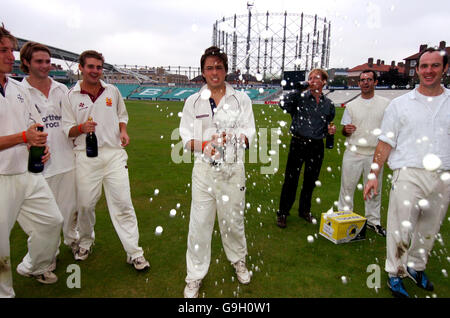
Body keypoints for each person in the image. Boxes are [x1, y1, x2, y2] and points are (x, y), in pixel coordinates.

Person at [364, 48, 449, 298]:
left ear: (444, 68)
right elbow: (385, 142)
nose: (429, 71)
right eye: (424, 66)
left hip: (443, 175)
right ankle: (394, 273)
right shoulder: (400, 105)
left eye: (435, 66)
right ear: (418, 70)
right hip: (409, 173)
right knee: (400, 228)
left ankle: (416, 267)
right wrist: (373, 174)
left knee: (429, 229)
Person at [61, 50, 149, 271]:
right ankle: (85, 242)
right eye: (90, 67)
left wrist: (123, 131)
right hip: (85, 156)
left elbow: (122, 115)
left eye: (99, 67)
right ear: (81, 68)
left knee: (123, 204)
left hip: (113, 154)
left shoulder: (112, 91)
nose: (95, 71)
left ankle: (134, 252)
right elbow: (66, 130)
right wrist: (81, 128)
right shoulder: (71, 95)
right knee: (85, 205)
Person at [179, 46, 255, 298]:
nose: (214, 72)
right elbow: (186, 140)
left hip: (233, 171)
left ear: (225, 70)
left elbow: (249, 135)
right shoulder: (193, 101)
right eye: (209, 68)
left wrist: (231, 138)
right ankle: (195, 275)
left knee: (232, 220)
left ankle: (238, 261)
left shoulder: (240, 99)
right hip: (203, 171)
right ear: (203, 72)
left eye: (219, 67)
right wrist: (205, 145)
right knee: (199, 224)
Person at [0, 26, 63, 297]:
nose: (9, 56)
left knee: (52, 221)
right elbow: (23, 133)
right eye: (3, 50)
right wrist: (23, 136)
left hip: (28, 173)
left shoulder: (16, 88)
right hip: (2, 177)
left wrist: (39, 145)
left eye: (10, 50)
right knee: (0, 245)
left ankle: (32, 265)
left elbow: (33, 126)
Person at [17, 42, 79, 279]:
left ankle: (73, 242)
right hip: (36, 168)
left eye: (48, 62)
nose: (45, 66)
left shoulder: (62, 89)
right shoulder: (19, 92)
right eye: (39, 62)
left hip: (66, 161)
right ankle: (43, 260)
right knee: (44, 220)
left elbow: (71, 122)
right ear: (26, 63)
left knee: (68, 211)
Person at [276, 69, 336, 228]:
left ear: (324, 82)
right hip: (298, 143)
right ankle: (283, 212)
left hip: (317, 146)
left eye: (316, 77)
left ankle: (304, 210)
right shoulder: (300, 97)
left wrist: (330, 132)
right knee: (291, 179)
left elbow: (328, 123)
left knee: (310, 180)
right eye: (309, 78)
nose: (312, 80)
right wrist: (298, 89)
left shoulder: (328, 104)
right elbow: (282, 104)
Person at [337, 70, 390, 236]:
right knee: (347, 187)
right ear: (358, 83)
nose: (365, 82)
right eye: (362, 80)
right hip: (353, 151)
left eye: (369, 79)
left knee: (375, 189)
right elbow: (344, 131)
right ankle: (345, 217)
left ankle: (373, 222)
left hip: (375, 153)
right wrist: (346, 130)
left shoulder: (386, 104)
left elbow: (390, 130)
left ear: (375, 82)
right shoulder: (352, 105)